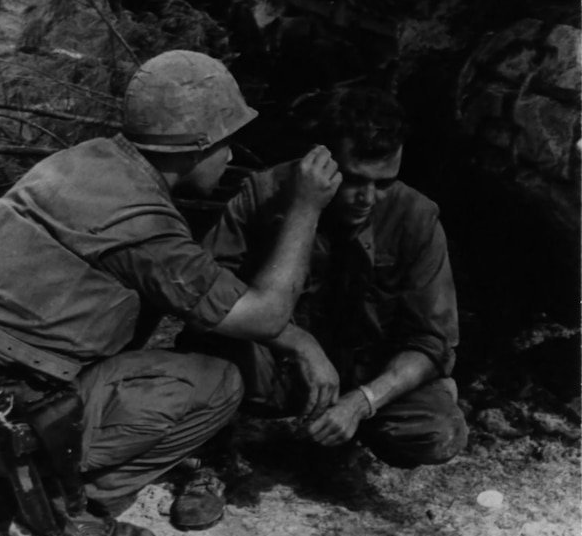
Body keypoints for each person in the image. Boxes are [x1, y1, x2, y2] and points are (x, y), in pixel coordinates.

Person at [0, 50, 341, 536]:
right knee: (219, 384)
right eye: (226, 144)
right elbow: (266, 313)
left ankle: (17, 472)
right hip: (1, 416)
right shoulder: (143, 228)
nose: (230, 156)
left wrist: (299, 341)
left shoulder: (84, 160)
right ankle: (59, 501)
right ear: (196, 146)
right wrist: (305, 209)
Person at [191, 86, 469, 483]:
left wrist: (363, 402)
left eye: (384, 182)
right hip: (280, 365)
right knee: (208, 353)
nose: (367, 198)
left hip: (363, 371)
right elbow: (204, 297)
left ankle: (339, 440)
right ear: (320, 159)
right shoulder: (265, 193)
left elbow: (434, 341)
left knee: (438, 431)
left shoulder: (416, 218)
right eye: (354, 179)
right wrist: (299, 344)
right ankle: (213, 454)